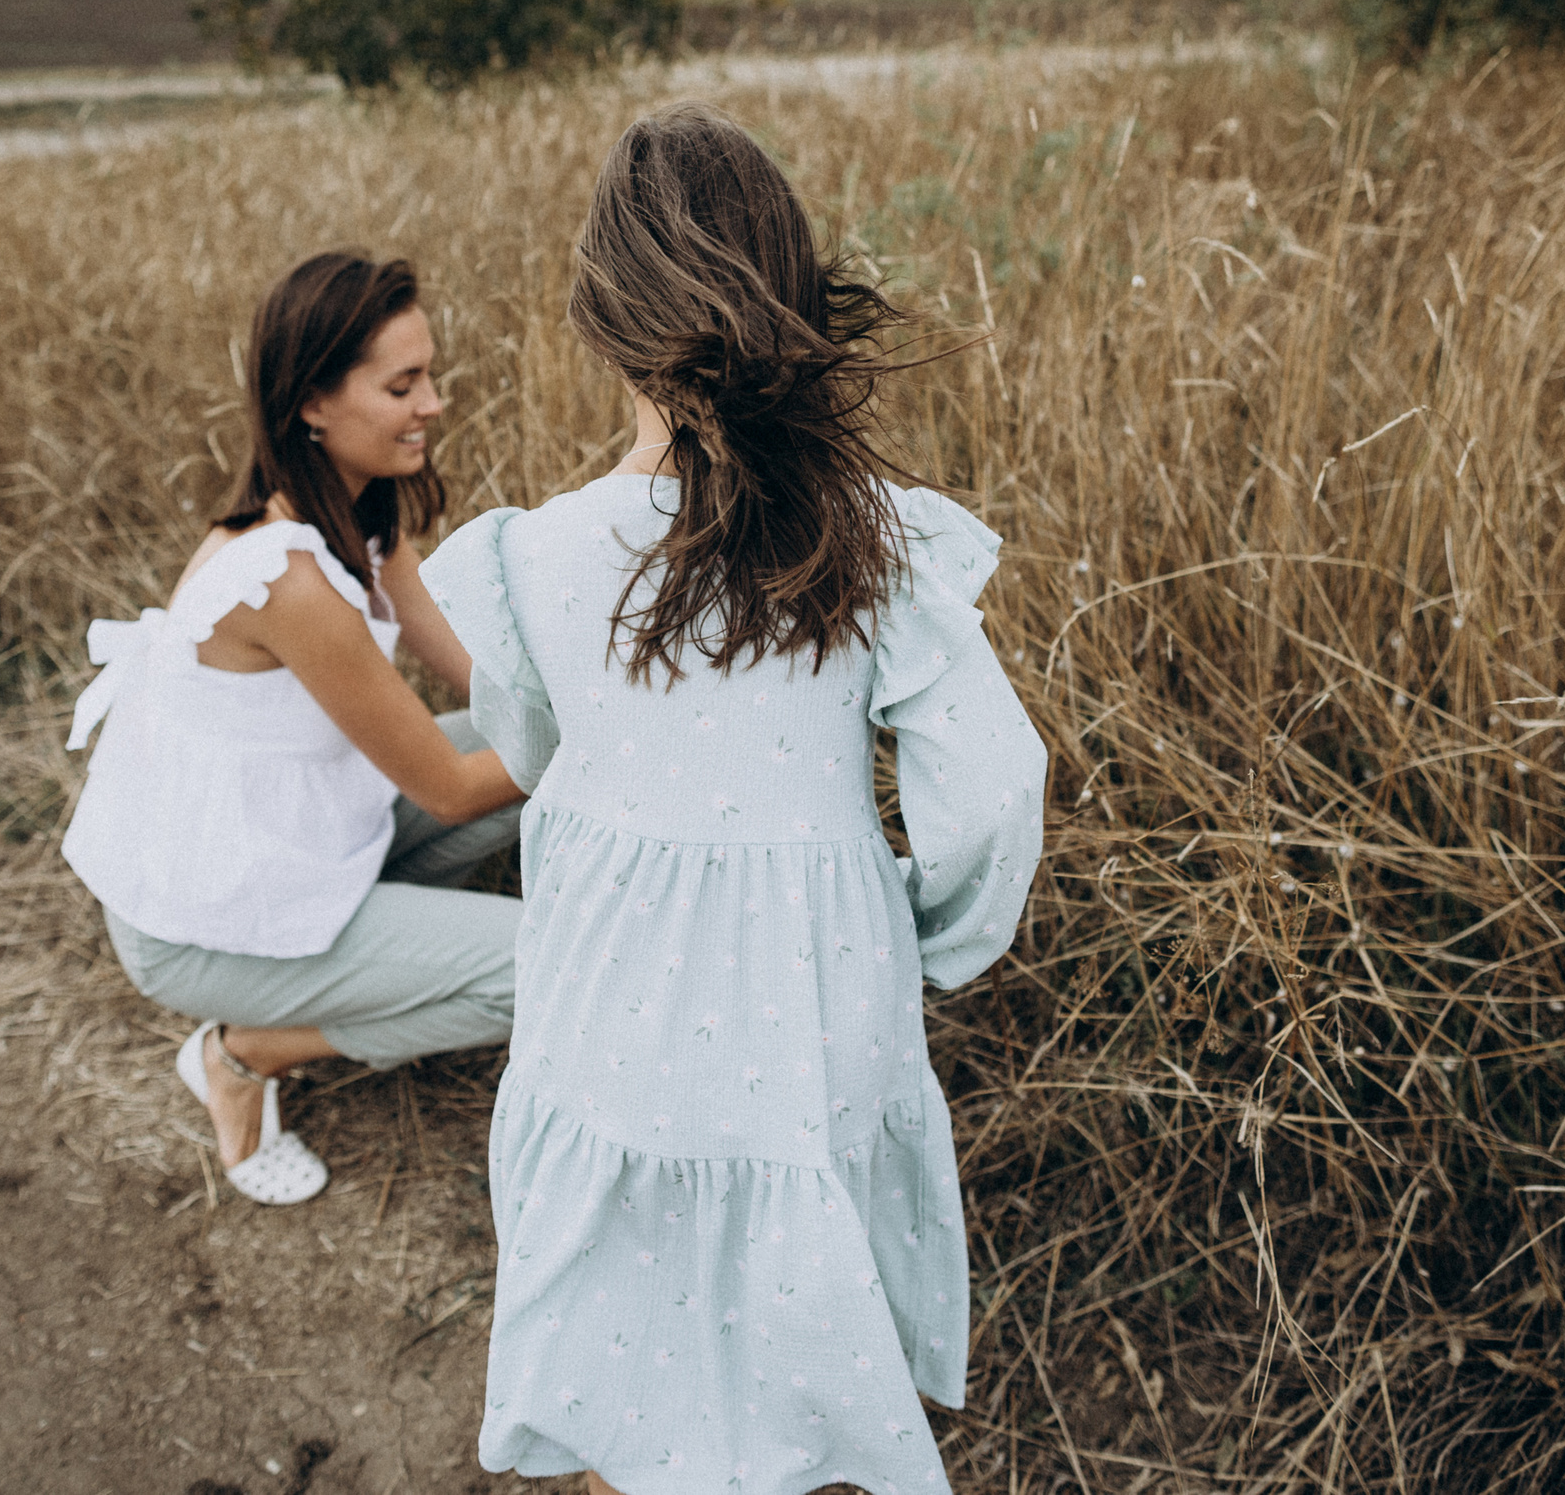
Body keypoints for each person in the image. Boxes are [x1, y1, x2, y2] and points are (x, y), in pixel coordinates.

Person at [424, 103, 1048, 1494]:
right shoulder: (869, 539)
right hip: (815, 997)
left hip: (607, 1001)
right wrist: (921, 931)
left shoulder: (533, 557)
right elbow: (996, 787)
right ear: (788, 290)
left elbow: (529, 745)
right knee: (807, 1316)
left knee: (617, 1324)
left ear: (597, 316)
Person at [62, 251, 528, 1207]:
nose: (433, 403)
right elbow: (448, 787)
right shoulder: (288, 578)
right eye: (403, 385)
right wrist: (614, 742)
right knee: (546, 967)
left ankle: (372, 956)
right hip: (198, 926)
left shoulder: (359, 516)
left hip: (293, 845)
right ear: (313, 403)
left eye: (431, 375)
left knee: (519, 758)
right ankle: (242, 1054)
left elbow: (475, 675)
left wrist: (579, 706)